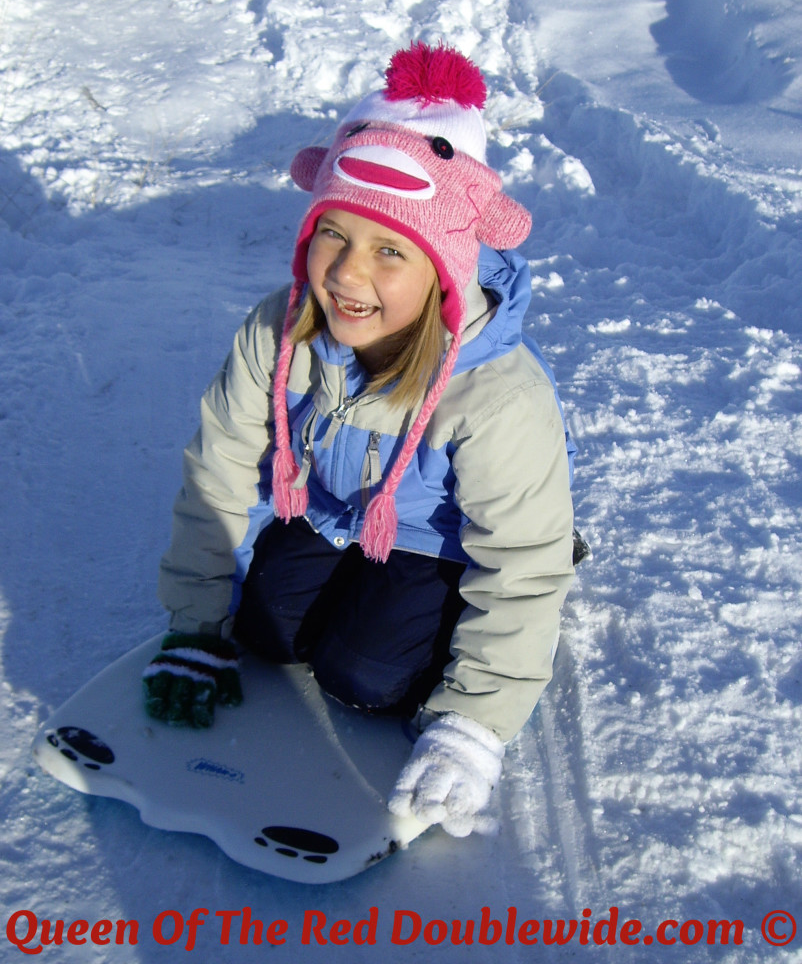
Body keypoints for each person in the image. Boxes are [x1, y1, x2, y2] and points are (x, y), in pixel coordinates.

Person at [142, 41, 577, 838]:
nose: (346, 274)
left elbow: (522, 564)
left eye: (388, 251)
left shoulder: (497, 396)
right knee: (263, 628)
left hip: (434, 537)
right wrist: (196, 624)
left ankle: (436, 643)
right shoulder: (282, 331)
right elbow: (221, 467)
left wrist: (473, 724)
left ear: (445, 267)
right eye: (331, 235)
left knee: (366, 673)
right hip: (337, 511)